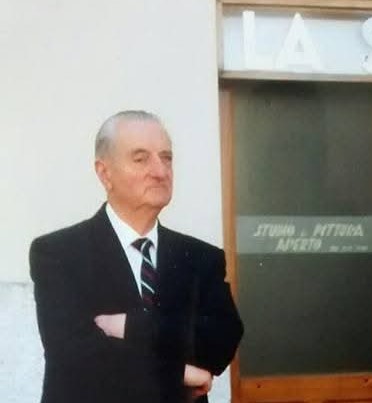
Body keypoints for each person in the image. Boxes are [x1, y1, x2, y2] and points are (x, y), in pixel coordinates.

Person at [29, 110, 243, 403]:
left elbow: (221, 339)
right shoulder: (59, 253)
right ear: (105, 173)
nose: (160, 171)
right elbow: (76, 358)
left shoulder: (200, 258)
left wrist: (131, 327)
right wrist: (181, 373)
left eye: (166, 158)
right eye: (141, 159)